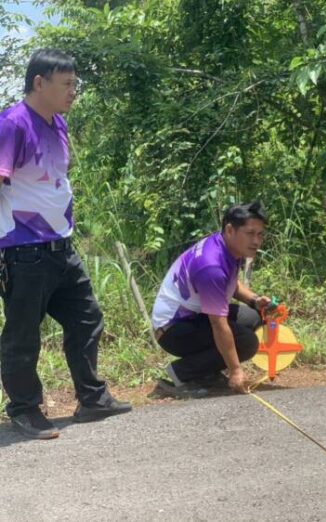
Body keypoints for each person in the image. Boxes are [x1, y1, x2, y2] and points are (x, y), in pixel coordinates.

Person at [0, 49, 131, 440]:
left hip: (61, 247)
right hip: (23, 251)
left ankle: (92, 398)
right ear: (39, 83)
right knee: (23, 335)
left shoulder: (58, 123)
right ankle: (25, 409)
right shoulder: (12, 124)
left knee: (86, 318)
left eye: (76, 83)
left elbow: (56, 178)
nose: (74, 91)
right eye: (67, 84)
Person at [152, 202, 271, 396]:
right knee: (247, 342)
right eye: (250, 233)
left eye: (260, 234)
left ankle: (206, 372)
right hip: (172, 329)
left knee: (254, 316)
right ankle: (182, 373)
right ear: (230, 230)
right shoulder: (211, 266)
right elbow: (218, 324)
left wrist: (254, 300)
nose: (256, 241)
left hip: (193, 316)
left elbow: (229, 283)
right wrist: (236, 371)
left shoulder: (225, 245)